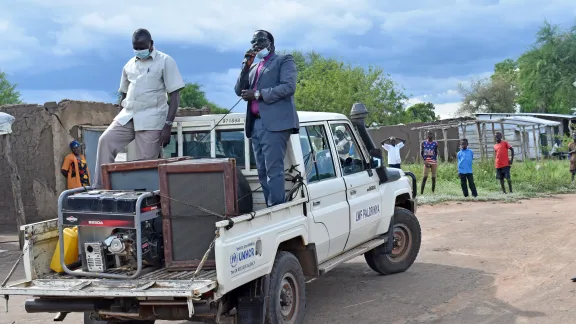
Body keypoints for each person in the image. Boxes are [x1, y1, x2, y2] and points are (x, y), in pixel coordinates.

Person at [92, 28, 185, 189]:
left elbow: (175, 95)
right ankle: (101, 187)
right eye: (136, 47)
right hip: (128, 115)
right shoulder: (129, 65)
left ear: (151, 44)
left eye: (142, 46)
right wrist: (118, 113)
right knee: (105, 141)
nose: (139, 50)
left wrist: (168, 126)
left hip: (152, 119)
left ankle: (144, 200)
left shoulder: (165, 61)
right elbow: (123, 93)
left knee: (145, 165)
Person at [234, 30, 299, 207]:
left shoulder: (283, 60)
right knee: (262, 171)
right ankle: (271, 206)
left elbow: (288, 87)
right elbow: (238, 89)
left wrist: (258, 94)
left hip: (275, 124)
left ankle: (277, 209)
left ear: (270, 42)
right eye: (253, 41)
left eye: (260, 40)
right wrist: (246, 66)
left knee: (273, 170)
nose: (256, 44)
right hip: (256, 124)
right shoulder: (254, 67)